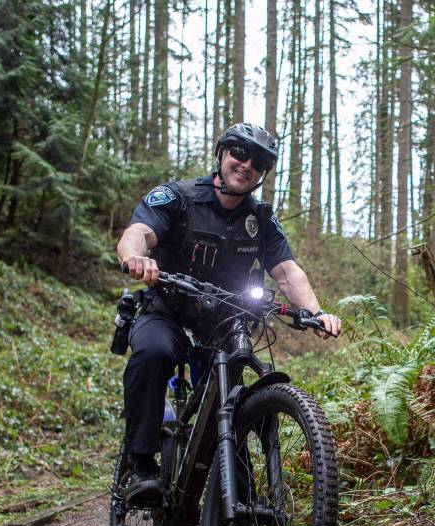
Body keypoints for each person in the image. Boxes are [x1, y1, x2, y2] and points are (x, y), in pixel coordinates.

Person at [116, 122, 342, 504]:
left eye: (259, 162)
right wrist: (135, 257)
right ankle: (139, 467)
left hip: (222, 325)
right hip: (167, 312)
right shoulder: (177, 197)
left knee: (232, 397)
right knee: (153, 354)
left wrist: (316, 312)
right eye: (239, 152)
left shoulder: (262, 220)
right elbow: (138, 232)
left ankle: (244, 502)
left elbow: (287, 271)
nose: (246, 164)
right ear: (221, 153)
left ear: (263, 174)